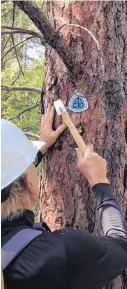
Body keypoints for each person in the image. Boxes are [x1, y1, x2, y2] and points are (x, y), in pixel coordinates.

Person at [1, 104, 127, 289]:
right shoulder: (60, 252)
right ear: (29, 184)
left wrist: (40, 149)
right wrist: (100, 182)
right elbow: (121, 247)